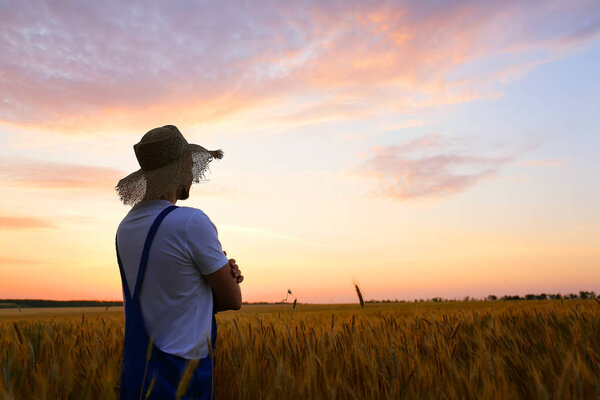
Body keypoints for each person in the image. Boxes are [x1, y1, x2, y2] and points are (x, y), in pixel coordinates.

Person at [114, 125, 243, 399]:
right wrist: (222, 277)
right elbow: (233, 299)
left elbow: (166, 295)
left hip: (139, 376)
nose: (192, 176)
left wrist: (206, 280)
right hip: (183, 375)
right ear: (180, 169)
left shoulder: (125, 228)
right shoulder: (190, 222)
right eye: (188, 167)